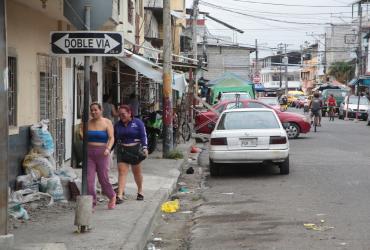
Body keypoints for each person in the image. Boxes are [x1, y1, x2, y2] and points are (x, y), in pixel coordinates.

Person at [83, 102, 116, 210]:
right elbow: (83, 137)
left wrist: (108, 149)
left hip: (103, 153)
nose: (93, 112)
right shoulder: (88, 123)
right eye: (91, 110)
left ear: (100, 110)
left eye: (95, 110)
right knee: (89, 180)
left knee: (103, 179)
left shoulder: (107, 122)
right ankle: (92, 203)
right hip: (89, 153)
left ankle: (112, 196)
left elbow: (111, 138)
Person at [114, 105, 148, 204]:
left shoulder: (138, 123)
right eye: (119, 115)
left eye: (123, 114)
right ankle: (120, 195)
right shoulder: (117, 125)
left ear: (129, 113)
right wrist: (109, 150)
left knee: (136, 172)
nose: (121, 116)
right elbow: (114, 138)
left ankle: (140, 190)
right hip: (122, 150)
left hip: (135, 150)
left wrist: (145, 147)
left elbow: (143, 136)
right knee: (122, 172)